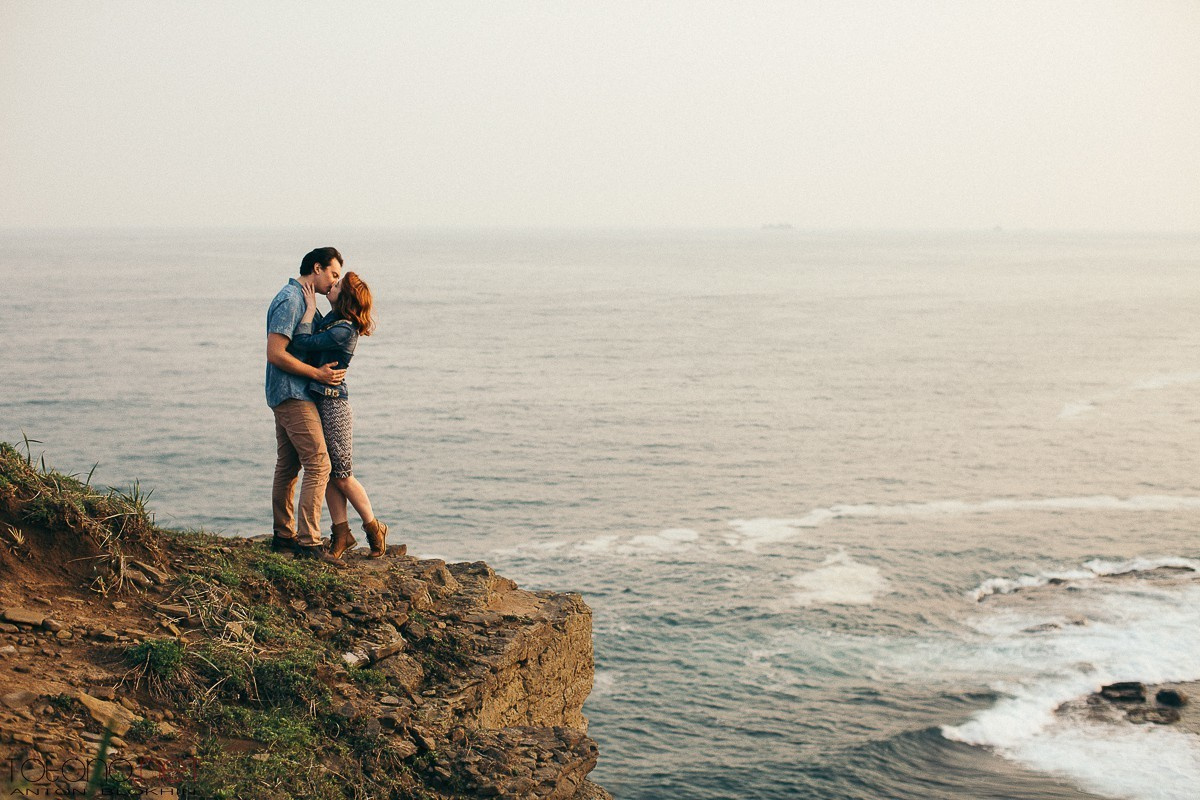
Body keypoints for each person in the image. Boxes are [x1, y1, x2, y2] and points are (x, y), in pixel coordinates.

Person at [291, 271, 390, 559]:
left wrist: (310, 310)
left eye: (336, 285)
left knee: (343, 474)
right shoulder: (332, 320)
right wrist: (314, 311)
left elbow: (302, 343)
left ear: (344, 297)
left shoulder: (343, 329)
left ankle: (374, 528)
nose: (330, 286)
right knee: (331, 474)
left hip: (334, 406)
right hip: (319, 401)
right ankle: (341, 534)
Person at [265, 246, 347, 566]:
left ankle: (284, 536)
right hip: (292, 392)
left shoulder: (304, 299)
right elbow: (275, 352)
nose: (335, 281)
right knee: (319, 463)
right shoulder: (291, 299)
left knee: (288, 465)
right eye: (333, 274)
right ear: (317, 268)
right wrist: (317, 374)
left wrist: (327, 302)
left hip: (287, 391)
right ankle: (309, 542)